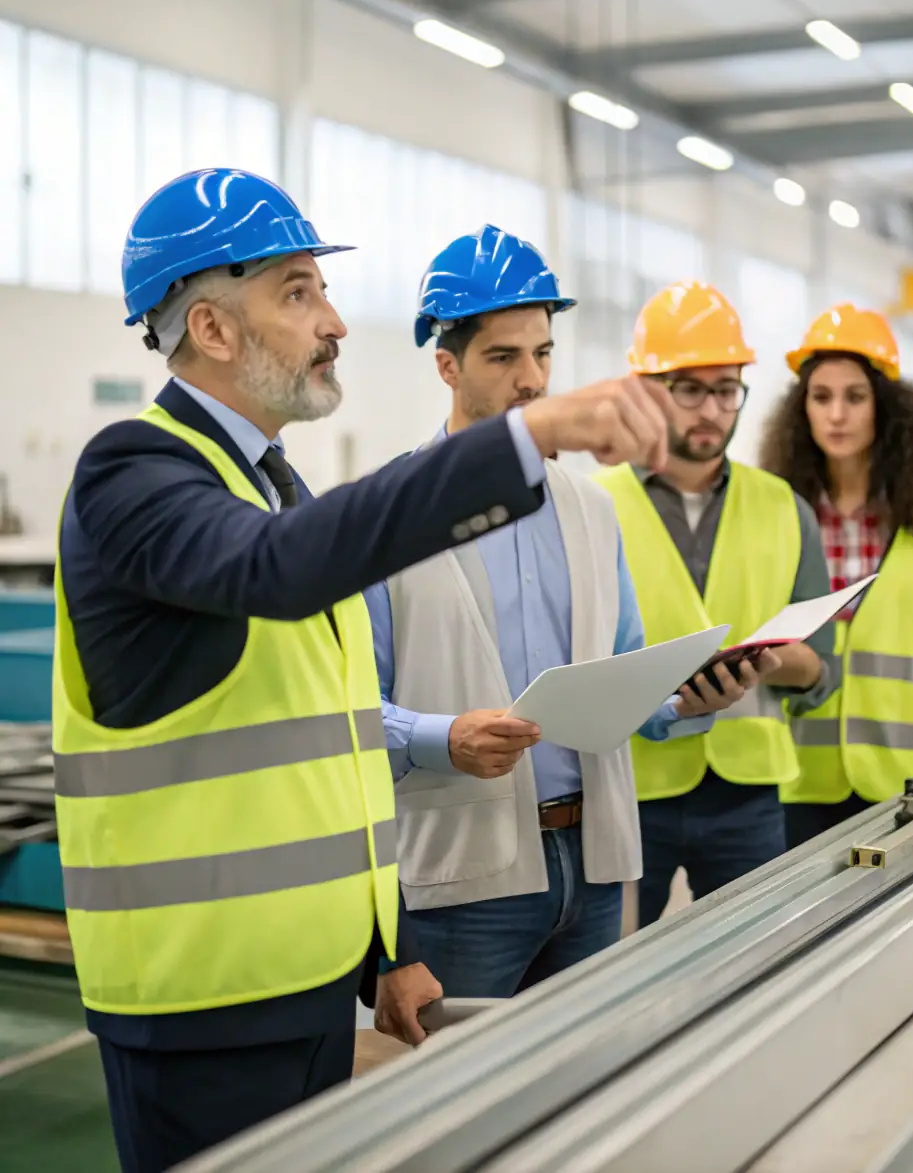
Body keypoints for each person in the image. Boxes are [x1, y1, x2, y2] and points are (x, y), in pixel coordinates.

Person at [51, 170, 678, 1173]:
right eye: (299, 292)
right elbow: (278, 572)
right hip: (199, 996)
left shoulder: (269, 487)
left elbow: (329, 747)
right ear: (212, 329)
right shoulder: (135, 470)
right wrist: (523, 442)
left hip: (301, 981)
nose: (332, 320)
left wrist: (382, 956)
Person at [364, 227, 760, 997]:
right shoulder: (389, 514)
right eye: (504, 357)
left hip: (597, 865)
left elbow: (628, 679)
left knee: (578, 1092)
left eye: (542, 353)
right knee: (462, 1101)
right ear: (446, 363)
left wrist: (690, 700)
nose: (532, 378)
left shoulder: (588, 508)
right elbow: (348, 715)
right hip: (464, 879)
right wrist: (442, 738)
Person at [594, 280, 838, 928]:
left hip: (748, 795)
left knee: (755, 970)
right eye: (691, 389)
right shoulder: (592, 505)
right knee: (605, 983)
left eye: (726, 390)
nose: (712, 409)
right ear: (649, 390)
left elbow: (823, 672)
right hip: (629, 788)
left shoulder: (787, 508)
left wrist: (786, 664)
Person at [760, 303, 913, 846]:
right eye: (821, 397)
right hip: (797, 780)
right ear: (802, 410)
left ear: (885, 408)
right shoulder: (776, 518)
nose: (837, 414)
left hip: (907, 779)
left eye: (855, 397)